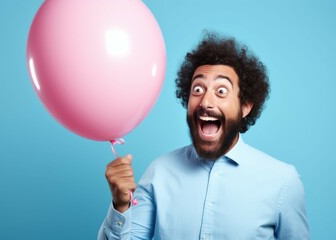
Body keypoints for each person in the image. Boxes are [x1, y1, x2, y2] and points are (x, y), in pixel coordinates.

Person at [98, 32, 309, 239]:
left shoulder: (283, 181)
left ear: (244, 107)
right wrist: (121, 205)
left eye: (221, 91)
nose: (206, 102)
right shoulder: (159, 172)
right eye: (197, 89)